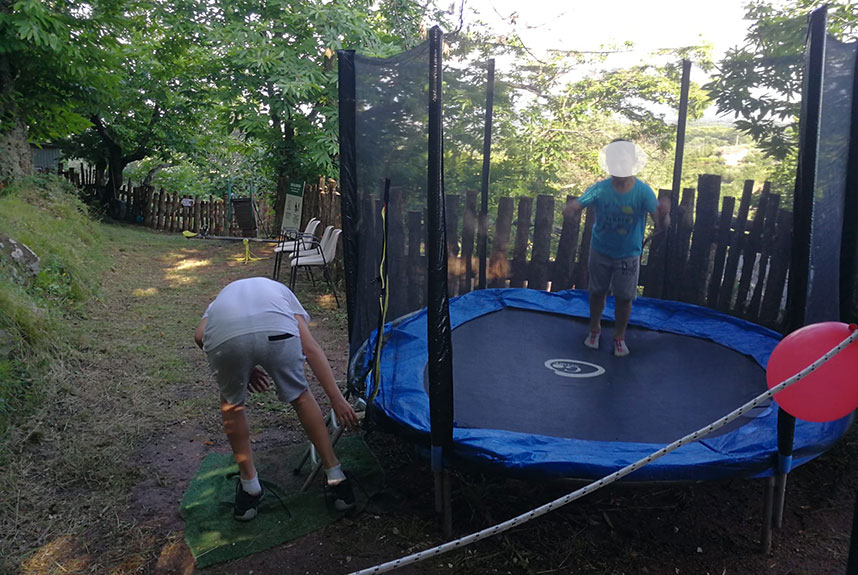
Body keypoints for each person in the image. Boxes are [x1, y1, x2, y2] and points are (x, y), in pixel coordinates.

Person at [194, 276, 359, 520]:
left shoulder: (219, 302)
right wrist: (336, 399)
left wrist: (245, 365)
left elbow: (200, 336)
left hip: (226, 338)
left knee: (232, 405)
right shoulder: (281, 294)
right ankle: (336, 476)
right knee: (301, 397)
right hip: (278, 333)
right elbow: (311, 349)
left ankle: (249, 487)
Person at [564, 139, 670, 357]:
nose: (619, 166)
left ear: (632, 163)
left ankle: (619, 336)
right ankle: (594, 329)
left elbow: (660, 224)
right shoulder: (601, 189)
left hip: (628, 254)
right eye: (614, 162)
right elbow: (579, 203)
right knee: (597, 292)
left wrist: (665, 215)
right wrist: (572, 208)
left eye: (623, 161)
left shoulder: (642, 192)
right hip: (600, 250)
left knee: (624, 298)